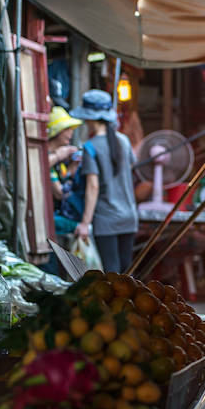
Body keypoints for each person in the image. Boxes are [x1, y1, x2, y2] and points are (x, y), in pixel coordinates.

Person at [70, 89, 139, 273]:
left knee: (112, 272)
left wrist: (85, 223)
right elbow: (131, 168)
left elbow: (93, 186)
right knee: (127, 272)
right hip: (129, 216)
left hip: (106, 219)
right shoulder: (124, 141)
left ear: (90, 118)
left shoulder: (90, 147)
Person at [46, 107, 84, 237]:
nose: (71, 133)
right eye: (67, 129)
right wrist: (59, 156)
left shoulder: (61, 160)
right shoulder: (51, 157)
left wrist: (71, 170)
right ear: (57, 131)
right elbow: (59, 193)